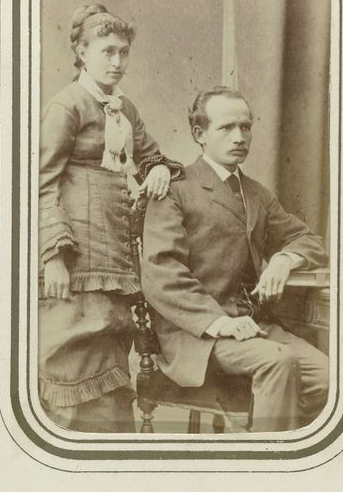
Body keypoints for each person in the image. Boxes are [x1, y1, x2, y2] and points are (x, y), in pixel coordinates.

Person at [141, 86, 329, 432]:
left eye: (245, 127)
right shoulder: (176, 190)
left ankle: (264, 435)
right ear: (200, 134)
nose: (239, 137)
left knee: (329, 379)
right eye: (226, 128)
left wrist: (284, 259)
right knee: (279, 362)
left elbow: (308, 240)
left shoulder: (256, 193)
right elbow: (162, 274)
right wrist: (221, 323)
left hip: (252, 325)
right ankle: (268, 457)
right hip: (197, 334)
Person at [38, 3, 182, 433]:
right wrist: (52, 257)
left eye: (123, 52)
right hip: (76, 256)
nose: (117, 62)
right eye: (107, 51)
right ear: (82, 52)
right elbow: (40, 183)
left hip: (115, 254)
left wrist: (158, 168)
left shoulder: (124, 108)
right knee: (71, 352)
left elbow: (151, 155)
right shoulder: (67, 105)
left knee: (111, 348)